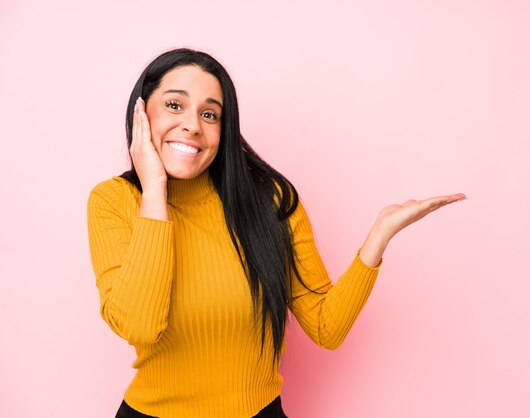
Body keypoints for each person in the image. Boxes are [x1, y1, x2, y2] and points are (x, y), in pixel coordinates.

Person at [86, 48, 465, 418]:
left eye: (209, 114)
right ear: (141, 111)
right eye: (174, 105)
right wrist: (154, 190)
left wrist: (380, 233)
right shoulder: (113, 202)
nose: (192, 125)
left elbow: (325, 327)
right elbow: (140, 325)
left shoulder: (270, 200)